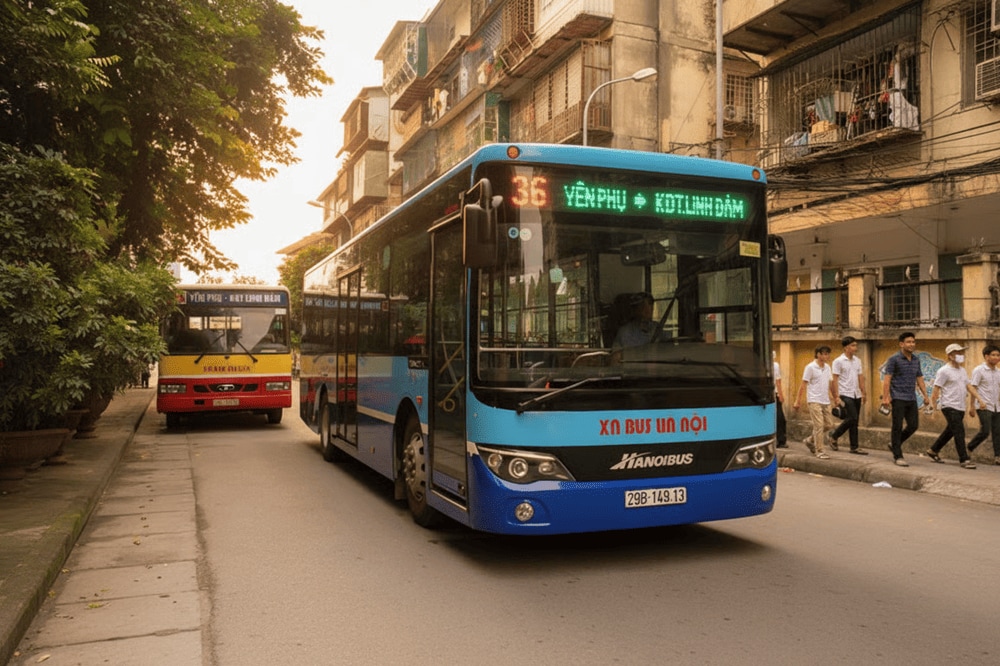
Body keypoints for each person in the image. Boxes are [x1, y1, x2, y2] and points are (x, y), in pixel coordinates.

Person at [881, 331, 931, 467]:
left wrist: (926, 396)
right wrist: (886, 397)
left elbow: (919, 378)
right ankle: (898, 455)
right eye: (908, 342)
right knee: (897, 426)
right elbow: (887, 380)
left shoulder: (916, 360)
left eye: (913, 342)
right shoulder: (894, 359)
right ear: (901, 344)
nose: (911, 344)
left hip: (911, 397)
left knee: (913, 425)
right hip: (897, 397)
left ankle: (894, 443)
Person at [925, 343, 975, 469]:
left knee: (951, 431)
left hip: (960, 406)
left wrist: (979, 399)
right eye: (958, 353)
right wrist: (933, 408)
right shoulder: (943, 371)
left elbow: (968, 386)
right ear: (950, 356)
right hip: (949, 405)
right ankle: (964, 459)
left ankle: (933, 450)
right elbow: (936, 389)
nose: (961, 355)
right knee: (959, 431)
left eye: (962, 353)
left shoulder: (962, 370)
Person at [793, 345, 838, 459]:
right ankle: (820, 450)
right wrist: (797, 401)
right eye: (824, 353)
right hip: (814, 400)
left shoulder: (827, 367)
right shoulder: (810, 367)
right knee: (819, 425)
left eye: (827, 354)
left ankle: (810, 440)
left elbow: (831, 383)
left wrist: (835, 397)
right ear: (818, 354)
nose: (826, 356)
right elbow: (803, 384)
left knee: (829, 425)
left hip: (825, 400)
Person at [830, 335, 868, 455]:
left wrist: (863, 391)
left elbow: (860, 376)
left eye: (855, 345)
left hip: (856, 393)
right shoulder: (838, 361)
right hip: (844, 393)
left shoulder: (857, 361)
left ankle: (854, 446)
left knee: (854, 421)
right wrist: (836, 396)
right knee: (852, 417)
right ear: (846, 347)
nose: (855, 347)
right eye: (852, 345)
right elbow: (834, 379)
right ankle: (834, 435)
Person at [967, 344, 1000, 465]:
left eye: (998, 355)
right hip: (983, 405)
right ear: (986, 356)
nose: (996, 357)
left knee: (998, 432)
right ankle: (970, 447)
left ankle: (997, 456)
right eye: (993, 355)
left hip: (996, 406)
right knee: (985, 431)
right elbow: (973, 388)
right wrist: (972, 406)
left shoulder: (998, 372)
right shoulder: (979, 370)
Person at [774, 351, 787, 448]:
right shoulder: (775, 365)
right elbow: (778, 382)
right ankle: (781, 440)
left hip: (769, 394)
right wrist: (781, 395)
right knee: (780, 418)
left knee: (778, 418)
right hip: (774, 395)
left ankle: (780, 439)